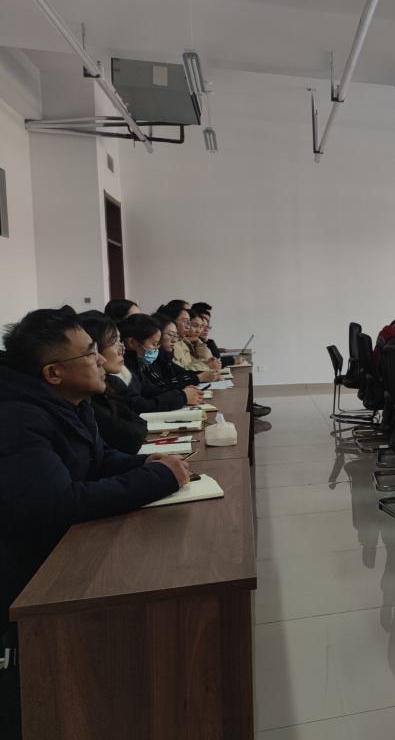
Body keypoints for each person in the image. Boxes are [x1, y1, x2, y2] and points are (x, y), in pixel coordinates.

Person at [0, 310, 188, 730]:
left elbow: (97, 459)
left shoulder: (66, 401)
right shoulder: (17, 417)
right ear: (53, 373)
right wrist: (158, 479)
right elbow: (58, 503)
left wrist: (147, 463)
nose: (102, 359)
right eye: (90, 353)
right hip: (32, 577)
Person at [77, 312, 148, 454]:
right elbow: (131, 438)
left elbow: (139, 423)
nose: (122, 349)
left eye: (119, 341)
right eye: (114, 342)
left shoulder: (112, 382)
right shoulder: (85, 394)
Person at [119, 314, 203, 412]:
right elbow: (140, 406)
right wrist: (182, 397)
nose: (156, 349)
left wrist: (181, 393)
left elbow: (151, 389)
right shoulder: (122, 369)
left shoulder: (135, 363)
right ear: (132, 342)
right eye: (154, 344)